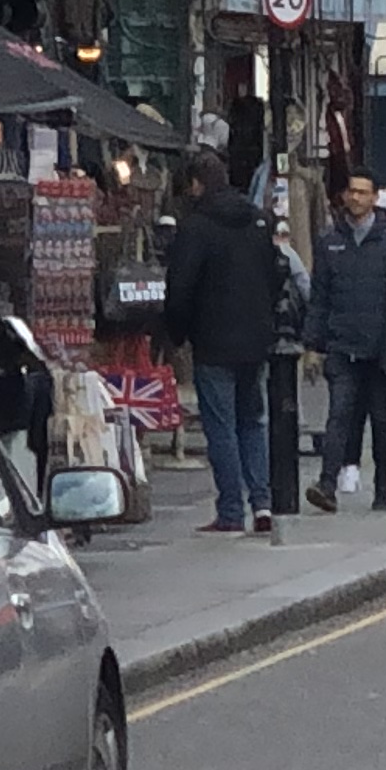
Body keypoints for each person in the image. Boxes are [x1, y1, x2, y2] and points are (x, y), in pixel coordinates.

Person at [161, 147, 286, 538]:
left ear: (196, 184)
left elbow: (180, 287)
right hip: (255, 338)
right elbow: (276, 274)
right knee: (253, 421)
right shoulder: (257, 220)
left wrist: (177, 333)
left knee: (222, 427)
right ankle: (263, 504)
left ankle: (231, 509)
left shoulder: (195, 227)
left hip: (213, 341)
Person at [302, 167, 386, 512]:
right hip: (341, 344)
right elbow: (319, 297)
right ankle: (327, 484)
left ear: (376, 198)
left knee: (381, 420)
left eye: (364, 192)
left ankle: (383, 487)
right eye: (352, 191)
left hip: (380, 348)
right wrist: (313, 346)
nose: (356, 198)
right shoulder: (329, 241)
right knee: (339, 416)